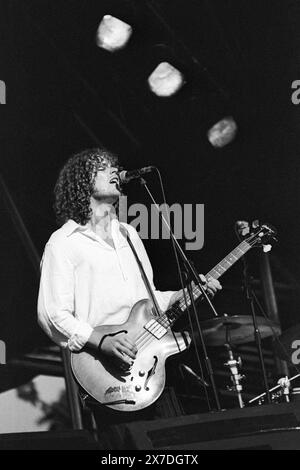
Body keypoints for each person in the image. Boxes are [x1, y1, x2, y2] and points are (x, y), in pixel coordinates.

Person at [37, 147, 221, 442]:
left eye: (114, 165)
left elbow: (148, 299)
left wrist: (181, 295)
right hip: (108, 370)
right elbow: (53, 314)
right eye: (102, 167)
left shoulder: (128, 234)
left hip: (153, 363)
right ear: (81, 182)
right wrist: (103, 341)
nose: (113, 170)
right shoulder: (62, 243)